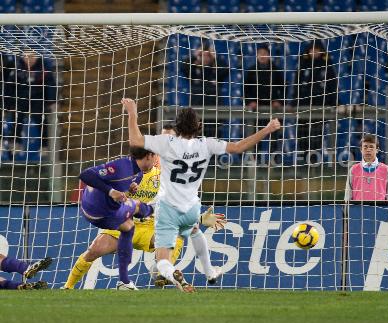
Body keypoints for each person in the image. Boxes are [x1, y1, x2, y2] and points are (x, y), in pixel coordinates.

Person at [122, 98, 280, 292]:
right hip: (191, 208)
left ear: (177, 127)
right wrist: (267, 129)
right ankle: (210, 272)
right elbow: (239, 147)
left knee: (162, 262)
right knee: (195, 231)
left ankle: (173, 274)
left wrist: (132, 113)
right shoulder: (207, 144)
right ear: (199, 126)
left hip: (168, 209)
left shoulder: (166, 143)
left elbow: (135, 141)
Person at [63, 124, 226, 290]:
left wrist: (198, 218)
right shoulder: (128, 169)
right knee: (94, 250)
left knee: (177, 232)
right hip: (124, 221)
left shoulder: (171, 176)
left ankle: (163, 271)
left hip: (151, 226)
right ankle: (67, 287)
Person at [78, 147, 157, 290]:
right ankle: (155, 210)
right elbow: (85, 174)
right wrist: (111, 191)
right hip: (100, 212)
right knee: (138, 206)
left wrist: (128, 190)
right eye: (155, 156)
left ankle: (124, 282)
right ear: (148, 156)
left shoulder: (138, 174)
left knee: (128, 226)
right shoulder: (122, 166)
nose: (156, 161)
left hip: (100, 211)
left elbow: (121, 188)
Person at [1, 51, 57, 161]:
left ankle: (44, 145)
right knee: (16, 117)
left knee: (40, 119)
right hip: (22, 98)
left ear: (36, 57)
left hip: (38, 98)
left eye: (32, 57)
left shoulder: (43, 68)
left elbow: (51, 85)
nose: (29, 59)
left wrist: (52, 101)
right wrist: (7, 104)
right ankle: (16, 143)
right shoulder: (18, 68)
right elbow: (9, 87)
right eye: (27, 57)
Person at [291, 41, 338, 163]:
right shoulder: (302, 65)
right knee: (302, 138)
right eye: (312, 50)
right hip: (303, 108)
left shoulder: (328, 66)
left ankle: (314, 165)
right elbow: (296, 86)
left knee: (317, 138)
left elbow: (333, 86)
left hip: (320, 108)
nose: (314, 52)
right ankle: (302, 165)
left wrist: (334, 103)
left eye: (317, 50)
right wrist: (294, 102)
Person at [344, 134, 388, 201]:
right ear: (361, 150)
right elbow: (347, 197)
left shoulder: (385, 169)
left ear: (377, 150)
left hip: (380, 210)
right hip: (358, 210)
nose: (368, 150)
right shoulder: (353, 170)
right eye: (365, 147)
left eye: (371, 147)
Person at [181, 43, 229, 107]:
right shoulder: (193, 72)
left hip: (215, 108)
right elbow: (183, 66)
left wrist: (215, 57)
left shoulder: (216, 71)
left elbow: (226, 69)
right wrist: (195, 55)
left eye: (208, 56)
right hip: (197, 107)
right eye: (203, 56)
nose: (205, 58)